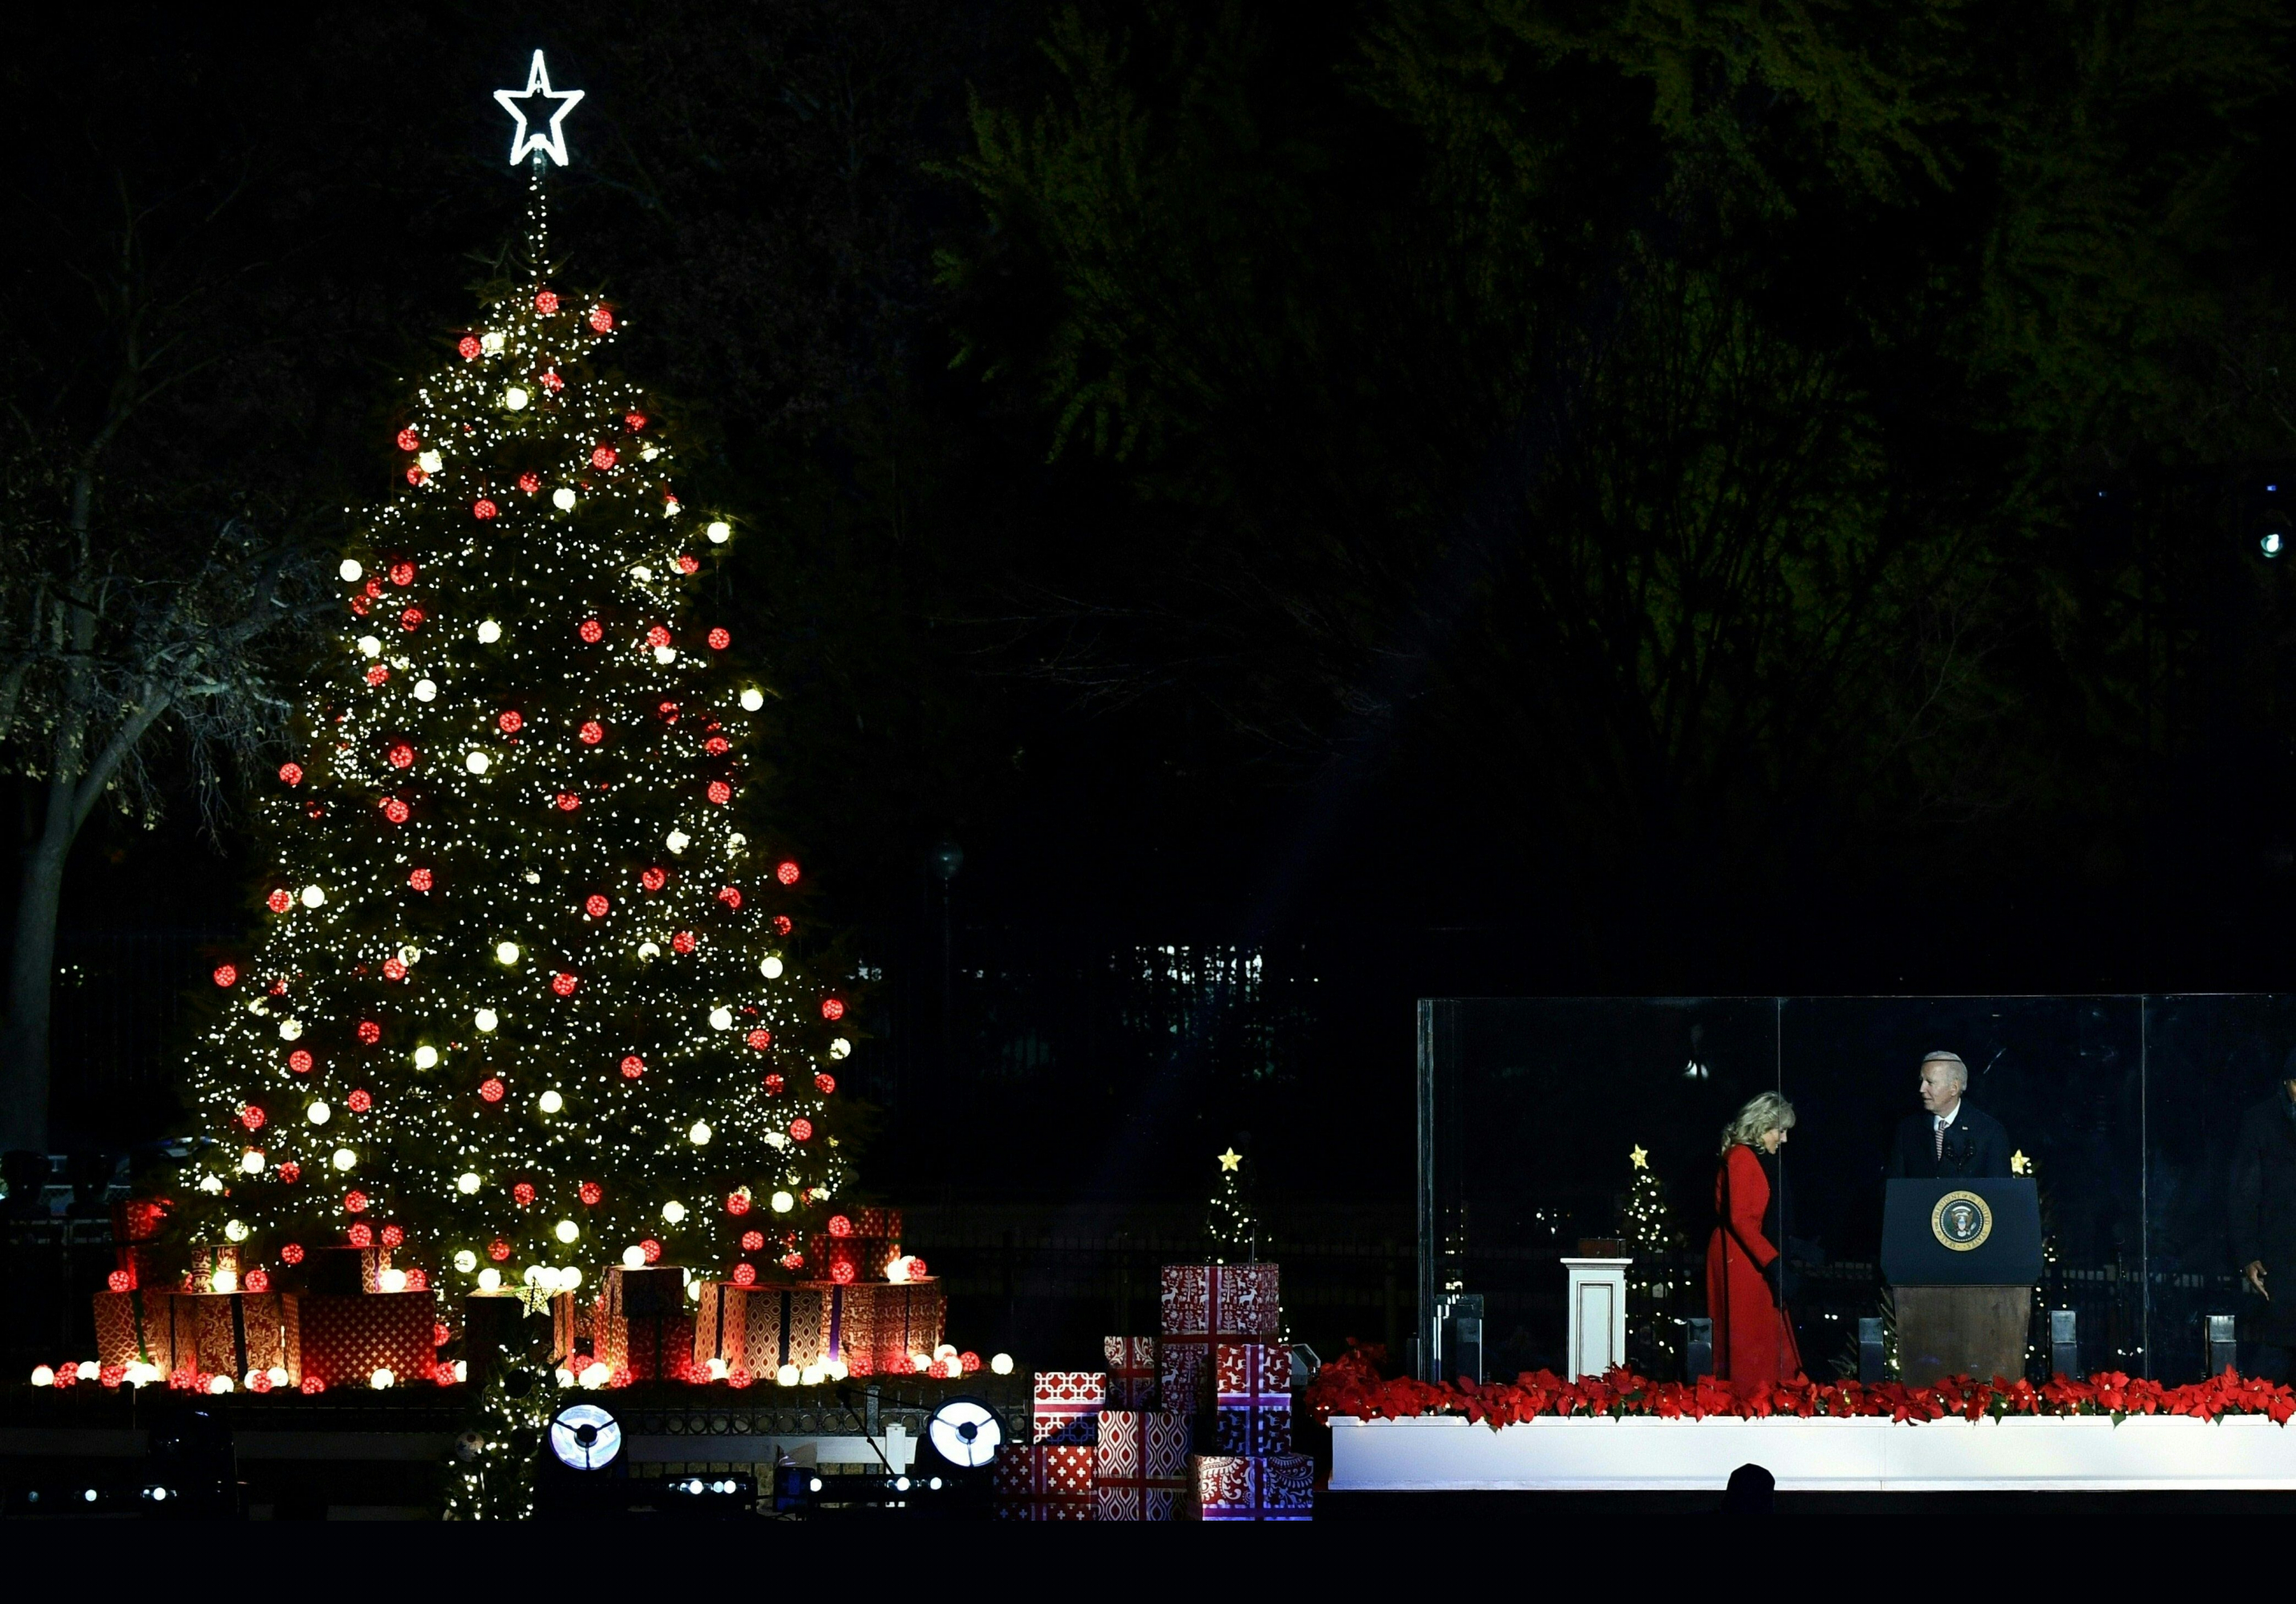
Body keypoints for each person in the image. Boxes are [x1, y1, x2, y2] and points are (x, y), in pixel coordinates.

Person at [1707, 1091, 1802, 1386]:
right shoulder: (1741, 1157)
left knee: (1761, 1337)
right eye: (1780, 1131)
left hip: (1748, 1253)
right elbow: (1741, 1220)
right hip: (1742, 1258)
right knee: (1751, 1339)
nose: (1784, 1139)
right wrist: (1774, 1263)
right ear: (1761, 1126)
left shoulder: (1749, 1156)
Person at [2229, 1051, 2296, 1380]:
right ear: (2285, 1083)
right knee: (2279, 1354)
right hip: (2281, 1256)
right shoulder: (2261, 1121)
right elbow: (2244, 1193)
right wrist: (2248, 1254)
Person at [1888, 1051, 2010, 1178]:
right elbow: (1893, 1185)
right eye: (1921, 1081)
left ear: (1954, 1088)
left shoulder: (1990, 1132)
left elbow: (1999, 1188)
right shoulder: (1908, 1130)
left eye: (1930, 1082)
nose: (1922, 1089)